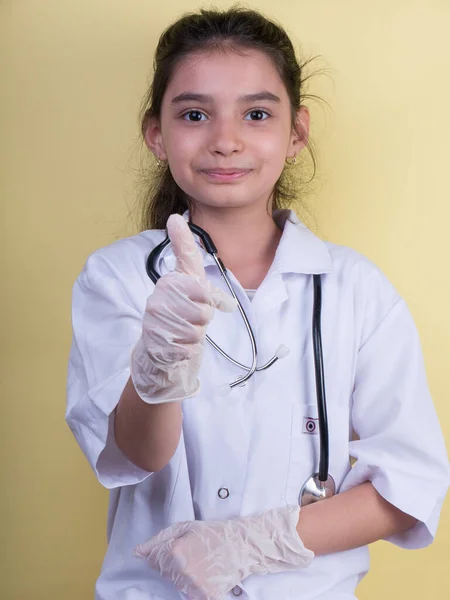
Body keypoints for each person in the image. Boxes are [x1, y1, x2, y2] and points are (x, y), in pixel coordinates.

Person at [66, 6, 449, 600]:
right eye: (194, 114)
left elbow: (410, 485)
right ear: (156, 133)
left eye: (257, 113)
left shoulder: (356, 289)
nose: (226, 140)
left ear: (295, 133)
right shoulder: (117, 277)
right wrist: (157, 368)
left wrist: (252, 541)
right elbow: (135, 455)